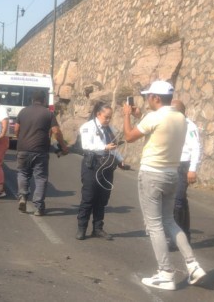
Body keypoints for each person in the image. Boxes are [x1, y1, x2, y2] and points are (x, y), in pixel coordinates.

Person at [123, 81, 206, 290]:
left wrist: (126, 115)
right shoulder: (181, 118)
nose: (147, 99)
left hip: (152, 174)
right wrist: (139, 115)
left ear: (156, 98)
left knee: (154, 225)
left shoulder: (154, 117)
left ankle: (165, 272)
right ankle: (192, 264)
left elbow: (129, 137)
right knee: (169, 221)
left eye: (148, 96)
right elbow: (157, 128)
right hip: (172, 174)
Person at [75, 101, 128, 240]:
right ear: (98, 114)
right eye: (106, 117)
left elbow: (114, 147)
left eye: (110, 117)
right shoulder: (88, 127)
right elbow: (86, 145)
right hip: (92, 165)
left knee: (102, 199)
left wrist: (120, 159)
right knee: (88, 198)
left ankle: (98, 229)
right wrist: (104, 147)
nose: (109, 120)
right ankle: (82, 228)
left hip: (107, 167)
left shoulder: (110, 128)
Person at [15, 89, 68, 216]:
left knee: (22, 173)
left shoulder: (23, 111)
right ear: (44, 100)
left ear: (32, 100)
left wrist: (21, 138)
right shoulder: (48, 114)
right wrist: (63, 146)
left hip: (23, 149)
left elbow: (16, 129)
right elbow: (56, 131)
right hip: (40, 150)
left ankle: (22, 196)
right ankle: (38, 207)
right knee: (40, 178)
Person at [172, 99, 202, 244]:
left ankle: (177, 238)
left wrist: (192, 169)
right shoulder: (172, 124)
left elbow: (196, 148)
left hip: (184, 165)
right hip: (172, 163)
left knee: (177, 201)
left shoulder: (190, 126)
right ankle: (186, 235)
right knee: (181, 200)